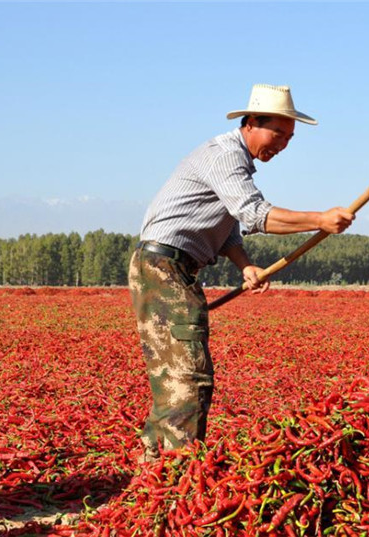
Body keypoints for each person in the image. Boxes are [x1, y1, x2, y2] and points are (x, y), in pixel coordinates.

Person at [128, 84, 354, 462]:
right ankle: (175, 477)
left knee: (173, 374)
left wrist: (245, 264)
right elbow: (254, 213)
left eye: (289, 137)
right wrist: (319, 219)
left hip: (170, 268)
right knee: (187, 376)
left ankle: (153, 471)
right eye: (277, 133)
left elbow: (229, 226)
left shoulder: (236, 163)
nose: (283, 144)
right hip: (163, 267)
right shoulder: (224, 156)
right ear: (250, 123)